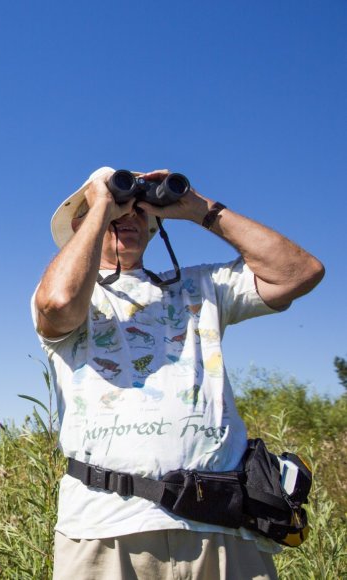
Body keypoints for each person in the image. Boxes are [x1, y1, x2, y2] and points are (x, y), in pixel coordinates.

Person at [32, 166, 324, 579]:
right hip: (105, 525)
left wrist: (198, 208)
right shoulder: (72, 293)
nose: (126, 216)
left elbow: (299, 272)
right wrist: (101, 205)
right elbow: (59, 304)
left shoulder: (202, 285)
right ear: (82, 225)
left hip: (218, 521)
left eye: (137, 210)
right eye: (116, 207)